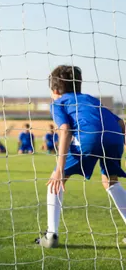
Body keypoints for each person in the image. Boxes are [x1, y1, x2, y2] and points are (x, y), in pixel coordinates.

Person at [36, 65, 126, 248]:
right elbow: (120, 122)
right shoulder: (91, 99)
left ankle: (51, 235)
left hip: (88, 138)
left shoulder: (58, 103)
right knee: (111, 181)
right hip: (114, 137)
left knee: (56, 179)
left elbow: (65, 130)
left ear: (54, 90)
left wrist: (59, 169)